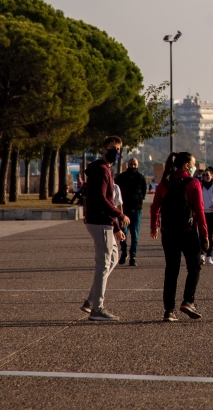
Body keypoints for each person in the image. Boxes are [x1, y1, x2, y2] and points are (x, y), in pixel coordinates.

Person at [150, 151, 208, 322]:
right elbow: (199, 211)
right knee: (194, 266)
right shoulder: (194, 183)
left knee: (171, 270)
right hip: (188, 232)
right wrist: (204, 235)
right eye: (194, 163)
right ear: (187, 165)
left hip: (168, 233)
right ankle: (188, 301)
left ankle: (169, 310)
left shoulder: (165, 183)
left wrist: (154, 226)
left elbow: (155, 208)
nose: (195, 166)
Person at [80, 136, 130, 321]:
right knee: (103, 264)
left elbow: (106, 199)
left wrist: (116, 225)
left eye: (118, 149)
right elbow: (102, 200)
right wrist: (120, 215)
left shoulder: (105, 170)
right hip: (99, 222)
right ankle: (97, 308)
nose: (115, 152)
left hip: (105, 222)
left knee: (114, 257)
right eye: (112, 148)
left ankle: (91, 300)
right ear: (103, 149)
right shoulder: (101, 170)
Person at [114, 157, 148, 267]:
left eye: (134, 164)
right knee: (123, 232)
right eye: (130, 164)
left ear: (137, 165)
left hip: (136, 210)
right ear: (127, 165)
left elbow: (144, 192)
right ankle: (123, 252)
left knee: (135, 234)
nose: (132, 166)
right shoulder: (121, 177)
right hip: (124, 210)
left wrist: (138, 199)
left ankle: (133, 256)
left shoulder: (141, 178)